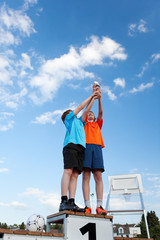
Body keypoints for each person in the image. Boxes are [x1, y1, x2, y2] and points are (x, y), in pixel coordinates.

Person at [59, 90, 100, 212]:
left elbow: (86, 110)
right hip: (70, 145)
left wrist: (94, 98)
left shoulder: (80, 121)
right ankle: (63, 201)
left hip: (81, 148)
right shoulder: (68, 119)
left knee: (76, 174)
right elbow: (81, 107)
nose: (73, 112)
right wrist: (91, 95)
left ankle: (71, 201)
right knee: (68, 171)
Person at [82, 83, 108, 215]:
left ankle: (99, 205)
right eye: (89, 114)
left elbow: (101, 112)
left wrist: (100, 98)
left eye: (92, 114)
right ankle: (87, 206)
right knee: (86, 175)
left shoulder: (98, 124)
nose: (91, 115)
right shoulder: (85, 123)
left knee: (98, 175)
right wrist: (93, 96)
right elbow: (87, 110)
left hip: (97, 148)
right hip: (86, 147)